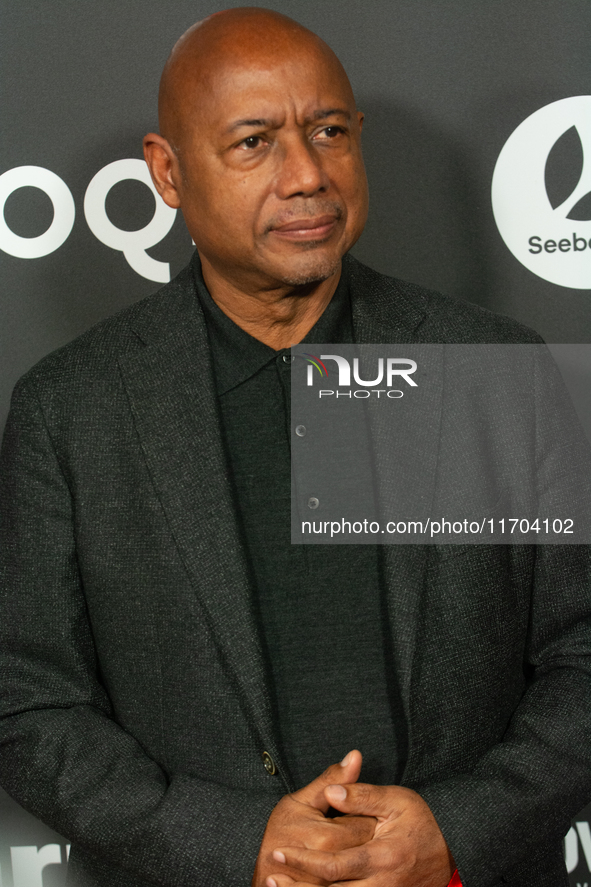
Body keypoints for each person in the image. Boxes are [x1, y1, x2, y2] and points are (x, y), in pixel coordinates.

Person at [0, 8, 589, 887]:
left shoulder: (491, 367)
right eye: (253, 142)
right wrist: (238, 843)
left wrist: (459, 828)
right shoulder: (71, 408)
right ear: (167, 171)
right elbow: (29, 700)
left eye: (328, 132)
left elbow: (581, 652)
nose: (307, 175)